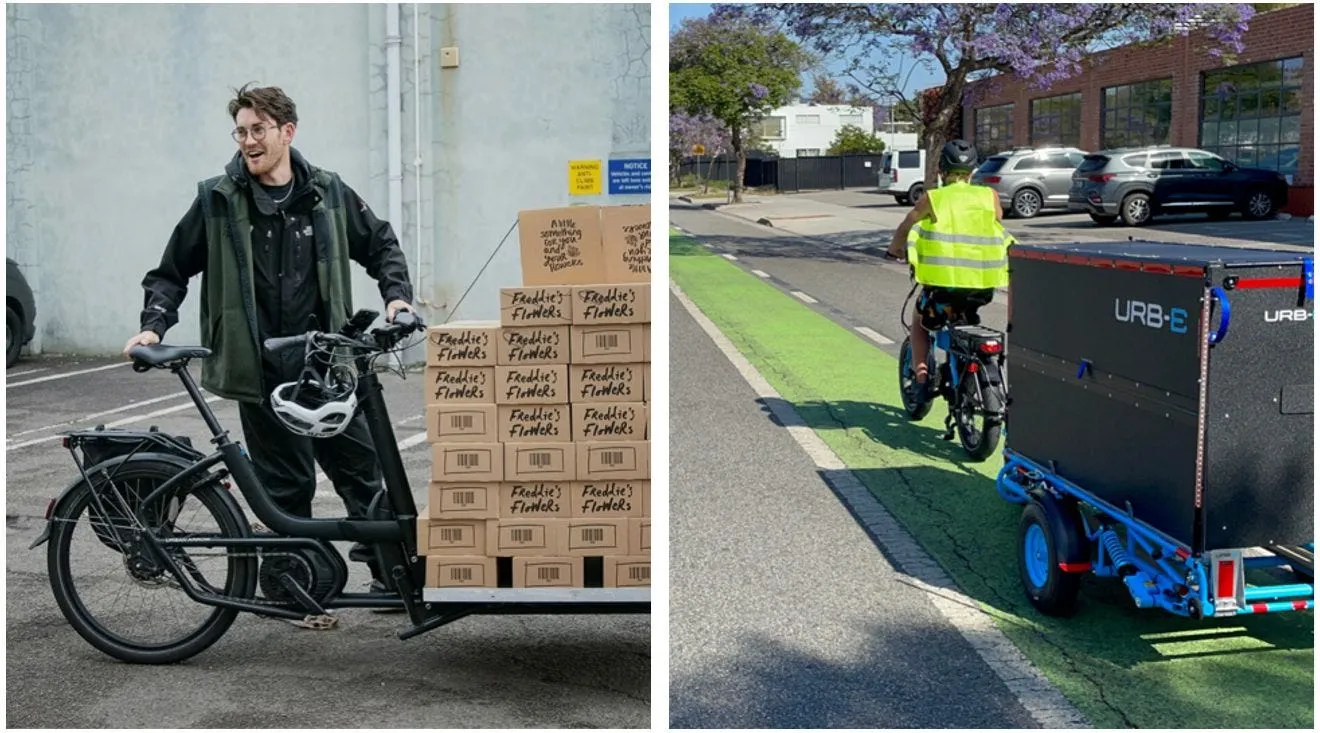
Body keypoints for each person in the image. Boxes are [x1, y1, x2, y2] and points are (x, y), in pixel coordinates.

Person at [122, 83, 415, 627]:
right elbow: (170, 271)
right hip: (260, 369)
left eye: (259, 130)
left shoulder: (327, 192)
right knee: (285, 486)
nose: (249, 141)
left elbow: (380, 244)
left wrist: (397, 296)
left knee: (363, 472)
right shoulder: (217, 199)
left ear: (287, 132)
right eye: (241, 131)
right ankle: (287, 583)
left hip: (327, 366)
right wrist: (152, 325)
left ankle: (391, 577)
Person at [885, 139, 1012, 399]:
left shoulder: (933, 198)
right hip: (983, 286)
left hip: (944, 288)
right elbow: (996, 220)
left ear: (942, 170)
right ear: (973, 171)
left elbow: (906, 226)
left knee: (919, 322)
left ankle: (921, 379)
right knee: (966, 316)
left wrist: (895, 250)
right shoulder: (989, 196)